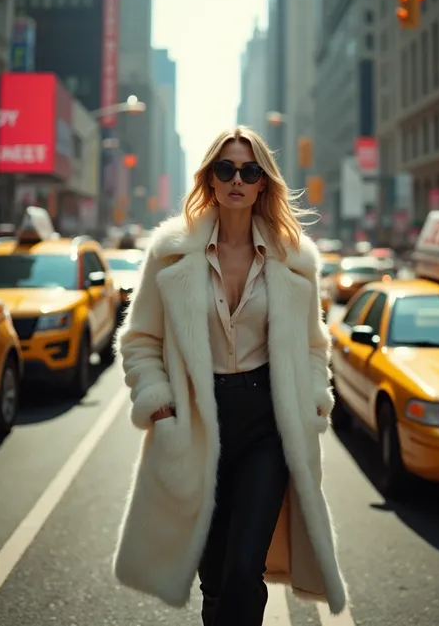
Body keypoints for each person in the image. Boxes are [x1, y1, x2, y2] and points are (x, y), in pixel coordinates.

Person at [112, 126, 348, 624]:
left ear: (263, 183)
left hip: (268, 422)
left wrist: (313, 400)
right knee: (215, 573)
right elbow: (140, 341)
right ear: (210, 180)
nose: (237, 179)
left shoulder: (294, 258)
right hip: (199, 421)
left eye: (249, 170)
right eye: (226, 169)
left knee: (246, 567)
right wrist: (160, 404)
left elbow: (312, 346)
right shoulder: (170, 252)